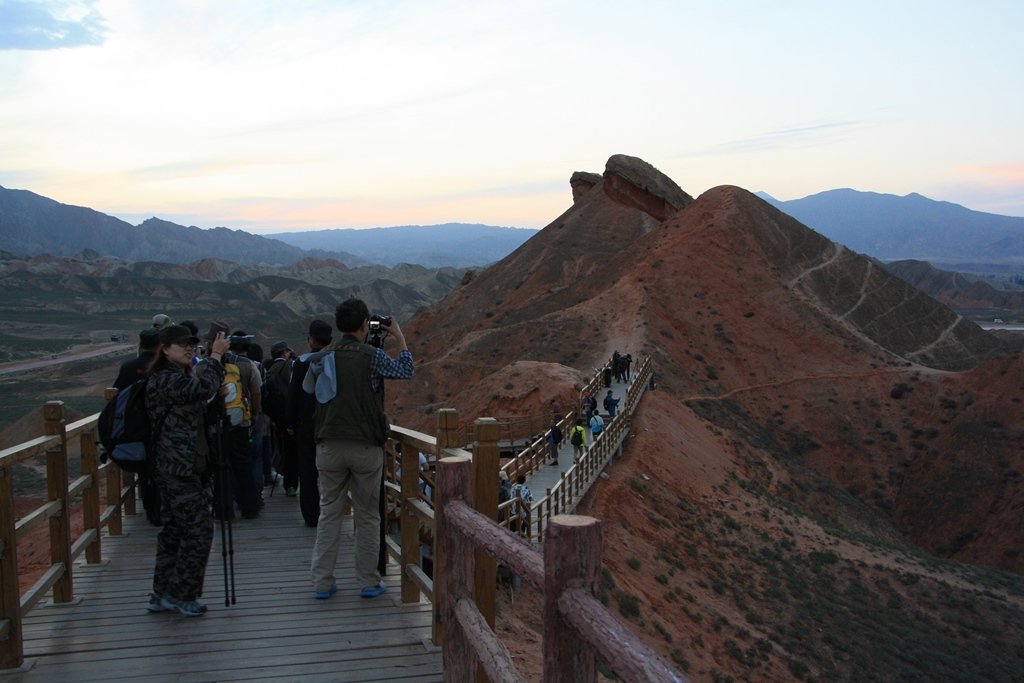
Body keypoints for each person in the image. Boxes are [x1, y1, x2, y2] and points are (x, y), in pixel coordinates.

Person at [305, 299, 413, 599]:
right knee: (368, 515)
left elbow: (311, 391)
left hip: (328, 446)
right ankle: (368, 580)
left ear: (339, 325)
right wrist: (400, 337)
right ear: (365, 324)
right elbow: (405, 370)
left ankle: (322, 582)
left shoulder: (322, 356)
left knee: (329, 513)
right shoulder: (372, 356)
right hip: (365, 446)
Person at [145, 324, 229, 617]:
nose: (189, 349)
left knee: (174, 530)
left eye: (192, 345)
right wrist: (216, 357)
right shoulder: (165, 380)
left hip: (180, 466)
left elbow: (200, 403)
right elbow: (201, 389)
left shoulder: (178, 377)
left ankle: (162, 593)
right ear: (165, 348)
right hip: (176, 468)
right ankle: (182, 595)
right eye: (182, 345)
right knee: (199, 530)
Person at [114, 328, 162, 525]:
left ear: (140, 345)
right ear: (161, 346)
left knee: (144, 467)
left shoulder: (128, 367)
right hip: (162, 422)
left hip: (137, 424)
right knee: (162, 466)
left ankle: (150, 510)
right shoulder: (163, 366)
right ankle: (163, 508)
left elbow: (116, 394)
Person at [287, 320, 333, 527]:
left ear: (312, 340)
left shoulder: (302, 363)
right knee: (332, 471)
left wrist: (290, 422)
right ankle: (332, 512)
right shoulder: (334, 359)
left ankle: (311, 515)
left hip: (306, 424)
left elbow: (294, 394)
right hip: (330, 424)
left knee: (307, 471)